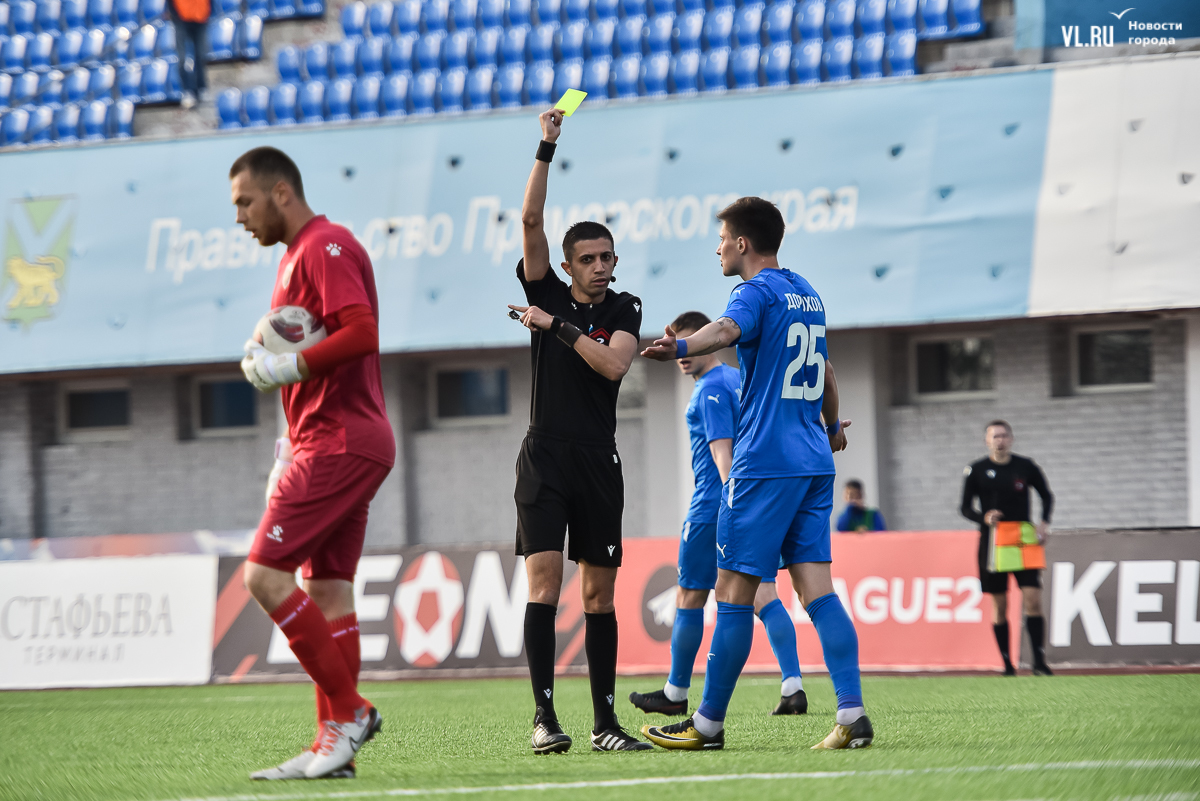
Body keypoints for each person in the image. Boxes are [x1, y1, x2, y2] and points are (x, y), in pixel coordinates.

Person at [640, 197, 872, 752]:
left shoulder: (753, 292)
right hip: (813, 461)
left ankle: (707, 725)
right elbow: (827, 370)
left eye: (722, 238)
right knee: (819, 592)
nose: (718, 248)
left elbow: (724, 330)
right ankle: (852, 713)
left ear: (742, 243)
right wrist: (831, 425)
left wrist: (679, 345)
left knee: (733, 592)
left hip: (764, 464)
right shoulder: (806, 292)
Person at [231, 147, 395, 779]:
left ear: (280, 193)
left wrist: (288, 365)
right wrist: (285, 448)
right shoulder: (294, 256)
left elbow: (362, 332)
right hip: (326, 440)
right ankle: (335, 744)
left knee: (262, 576)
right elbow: (306, 368)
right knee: (326, 591)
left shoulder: (327, 246)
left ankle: (351, 713)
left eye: (245, 202)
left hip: (339, 441)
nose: (240, 216)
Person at [507, 107, 651, 754]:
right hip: (544, 456)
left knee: (598, 593)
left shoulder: (624, 306)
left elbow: (615, 364)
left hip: (598, 459)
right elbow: (530, 220)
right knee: (544, 582)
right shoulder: (546, 288)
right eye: (587, 259)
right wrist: (546, 147)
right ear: (566, 266)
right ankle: (544, 717)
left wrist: (558, 328)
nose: (598, 266)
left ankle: (605, 724)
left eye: (605, 257)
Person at [629, 310, 808, 719]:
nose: (682, 355)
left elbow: (721, 453)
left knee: (690, 594)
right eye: (678, 348)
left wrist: (732, 503)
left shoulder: (709, 389)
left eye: (688, 345)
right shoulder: (738, 379)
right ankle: (793, 684)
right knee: (763, 593)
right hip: (754, 503)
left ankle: (675, 691)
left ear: (707, 341)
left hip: (715, 505)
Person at [960, 420, 1054, 676]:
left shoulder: (1026, 466)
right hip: (993, 542)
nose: (1000, 441)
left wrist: (1043, 523)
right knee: (1000, 605)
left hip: (1023, 539)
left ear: (1011, 439)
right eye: (995, 436)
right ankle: (1007, 665)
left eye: (1003, 436)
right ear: (986, 441)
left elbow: (1046, 495)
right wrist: (984, 517)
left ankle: (1039, 663)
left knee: (1033, 599)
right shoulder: (976, 469)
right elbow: (965, 507)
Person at [169, 0, 210, 108]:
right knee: (183, 58)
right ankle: (187, 91)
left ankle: (201, 88)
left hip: (201, 17)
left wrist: (207, 12)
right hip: (181, 19)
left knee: (200, 55)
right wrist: (175, 15)